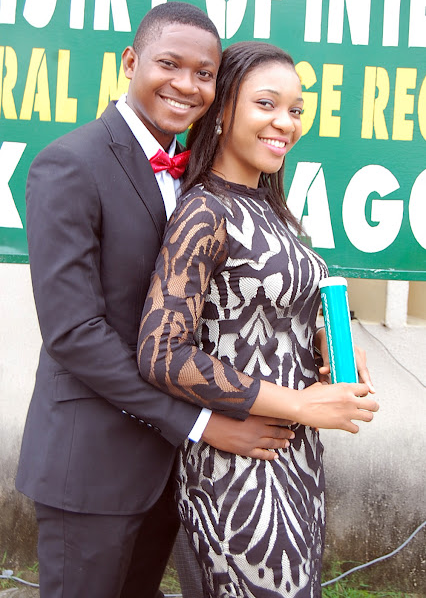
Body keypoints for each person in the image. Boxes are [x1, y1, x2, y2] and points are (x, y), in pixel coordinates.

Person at [15, 4, 298, 598]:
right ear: (130, 62)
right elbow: (74, 333)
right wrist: (200, 423)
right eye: (169, 64)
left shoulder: (197, 176)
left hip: (173, 472)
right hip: (91, 464)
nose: (186, 85)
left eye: (204, 74)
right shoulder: (69, 164)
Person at [137, 41, 379, 597]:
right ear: (223, 111)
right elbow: (162, 353)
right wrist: (298, 403)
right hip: (235, 470)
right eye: (266, 104)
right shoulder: (205, 210)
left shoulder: (268, 205)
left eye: (295, 109)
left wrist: (326, 346)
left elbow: (265, 314)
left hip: (295, 459)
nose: (285, 123)